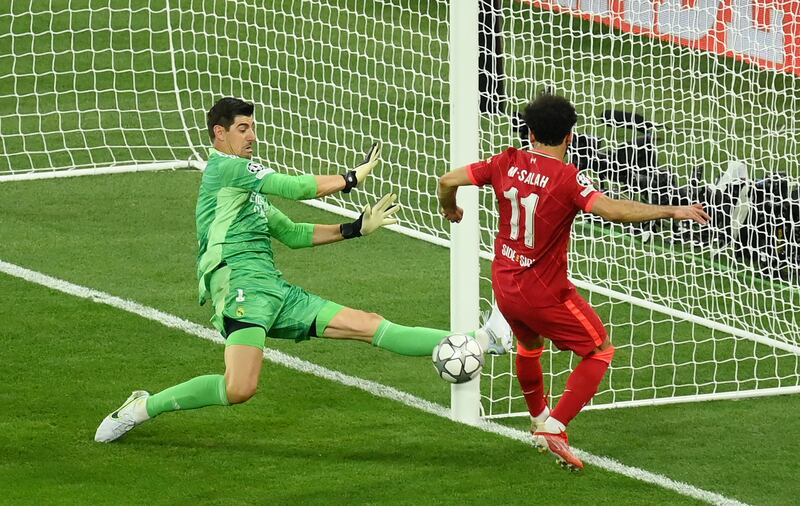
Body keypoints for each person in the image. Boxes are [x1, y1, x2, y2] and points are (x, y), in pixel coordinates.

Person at [95, 97, 507, 443]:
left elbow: (292, 233)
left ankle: (481, 339)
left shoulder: (246, 195)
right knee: (240, 388)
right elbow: (293, 188)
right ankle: (142, 407)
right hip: (239, 290)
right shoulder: (225, 170)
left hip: (274, 292)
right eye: (242, 128)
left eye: (252, 128)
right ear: (219, 133)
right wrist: (350, 179)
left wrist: (355, 228)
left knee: (367, 324)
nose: (252, 136)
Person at [437, 94, 709, 471]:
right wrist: (670, 210)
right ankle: (555, 426)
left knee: (530, 346)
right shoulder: (567, 178)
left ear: (529, 133)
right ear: (569, 136)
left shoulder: (506, 161)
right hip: (544, 291)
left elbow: (447, 179)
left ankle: (537, 420)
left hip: (504, 283)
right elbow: (612, 210)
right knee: (600, 350)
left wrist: (449, 208)